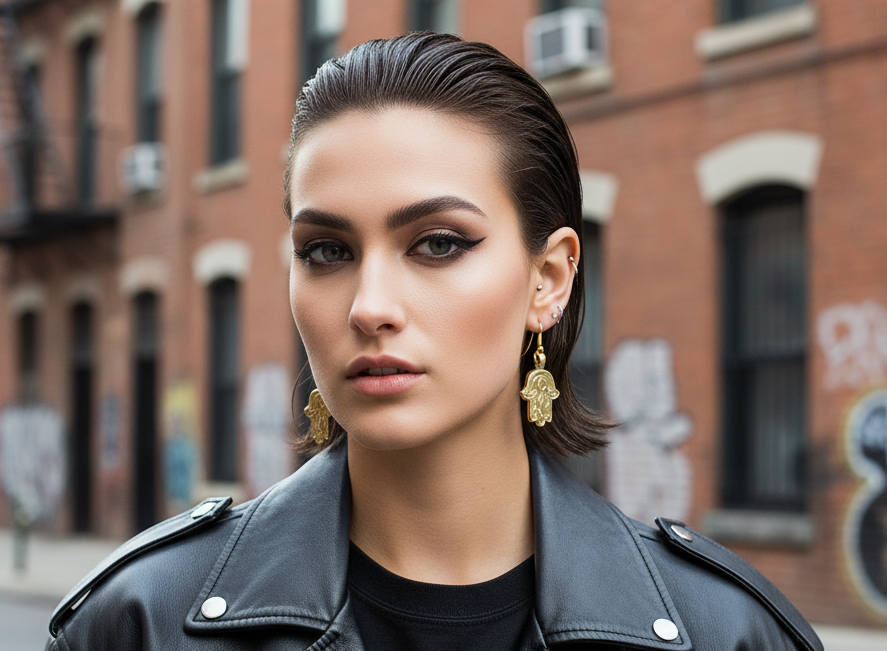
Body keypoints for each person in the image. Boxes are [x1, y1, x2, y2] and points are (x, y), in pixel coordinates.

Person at [46, 32, 823, 651]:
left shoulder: (725, 633)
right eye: (326, 250)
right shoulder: (140, 622)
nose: (370, 305)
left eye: (439, 243)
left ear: (548, 278)